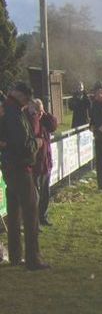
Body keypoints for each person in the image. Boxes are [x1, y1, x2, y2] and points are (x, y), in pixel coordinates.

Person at [0, 82, 49, 270]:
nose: (27, 103)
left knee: (13, 213)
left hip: (10, 168)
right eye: (26, 99)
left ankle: (15, 255)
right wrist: (36, 143)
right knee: (30, 213)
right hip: (21, 169)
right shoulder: (14, 114)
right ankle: (32, 258)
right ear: (20, 96)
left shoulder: (7, 110)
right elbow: (22, 143)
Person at [27, 99, 57, 227]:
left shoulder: (44, 119)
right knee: (35, 196)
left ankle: (43, 216)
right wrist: (34, 117)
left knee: (45, 193)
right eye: (37, 111)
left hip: (46, 163)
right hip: (35, 165)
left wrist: (45, 113)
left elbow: (53, 125)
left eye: (41, 112)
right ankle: (34, 222)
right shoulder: (29, 121)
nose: (39, 114)